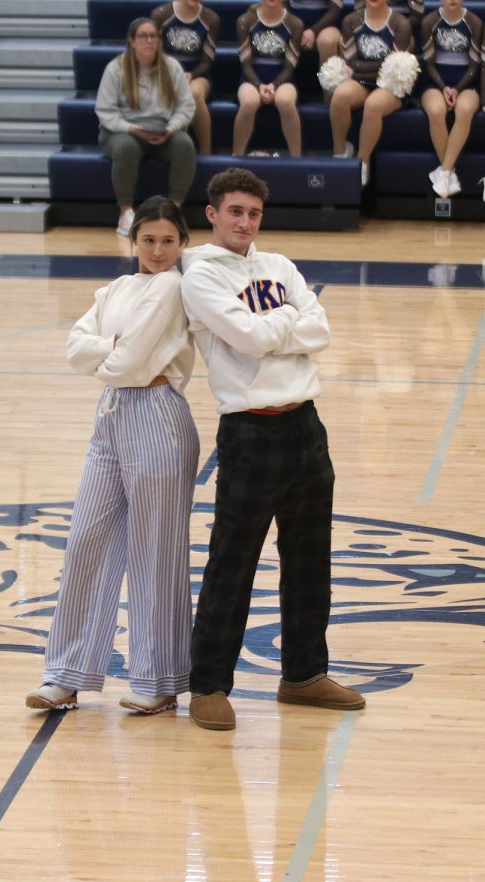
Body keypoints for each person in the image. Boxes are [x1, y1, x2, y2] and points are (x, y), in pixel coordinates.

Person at [180, 167, 365, 731]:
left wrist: (274, 327)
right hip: (249, 433)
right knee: (231, 565)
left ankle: (304, 675)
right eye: (234, 211)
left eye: (254, 213)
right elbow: (254, 338)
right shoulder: (200, 276)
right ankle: (208, 684)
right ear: (212, 213)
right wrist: (288, 321)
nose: (245, 222)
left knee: (310, 560)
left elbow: (321, 330)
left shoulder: (279, 266)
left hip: (306, 425)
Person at [26, 196, 200, 715]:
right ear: (133, 241)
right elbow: (77, 347)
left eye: (169, 240)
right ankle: (66, 673)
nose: (159, 249)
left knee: (156, 550)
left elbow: (123, 358)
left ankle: (159, 679)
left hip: (160, 415)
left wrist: (112, 351)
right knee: (86, 538)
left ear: (182, 242)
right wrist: (115, 352)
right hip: (111, 415)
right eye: (149, 239)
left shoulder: (175, 287)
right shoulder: (116, 289)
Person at [95, 18, 197, 236]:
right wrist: (132, 129)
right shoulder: (116, 69)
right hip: (124, 131)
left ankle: (173, 212)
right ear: (132, 41)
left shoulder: (171, 67)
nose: (149, 41)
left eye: (154, 36)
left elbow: (186, 107)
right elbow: (105, 111)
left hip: (163, 131)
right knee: (126, 148)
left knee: (185, 144)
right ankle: (126, 213)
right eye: (143, 36)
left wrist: (171, 128)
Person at [329, 0, 413, 186]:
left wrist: (360, 68)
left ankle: (362, 161)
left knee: (373, 105)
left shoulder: (401, 23)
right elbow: (350, 62)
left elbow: (395, 66)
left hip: (392, 85)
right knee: (340, 97)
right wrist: (365, 69)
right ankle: (340, 152)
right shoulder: (350, 21)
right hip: (362, 81)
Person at [419, 0, 482, 199]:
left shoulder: (475, 22)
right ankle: (449, 174)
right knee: (436, 110)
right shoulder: (429, 21)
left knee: (464, 110)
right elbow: (428, 64)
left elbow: (474, 66)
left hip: (466, 82)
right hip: (434, 82)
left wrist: (457, 89)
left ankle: (445, 171)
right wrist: (444, 87)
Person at [232, 0, 303, 156]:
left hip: (283, 79)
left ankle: (297, 159)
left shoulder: (295, 23)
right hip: (252, 78)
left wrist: (274, 85)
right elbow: (246, 65)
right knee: (249, 102)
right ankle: (236, 156)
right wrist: (259, 86)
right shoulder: (245, 20)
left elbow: (289, 67)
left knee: (285, 101)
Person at [152, 0, 221, 153]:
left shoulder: (211, 18)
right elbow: (155, 55)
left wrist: (192, 74)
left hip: (198, 75)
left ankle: (206, 152)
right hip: (165, 73)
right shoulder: (161, 14)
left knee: (195, 93)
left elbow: (207, 61)